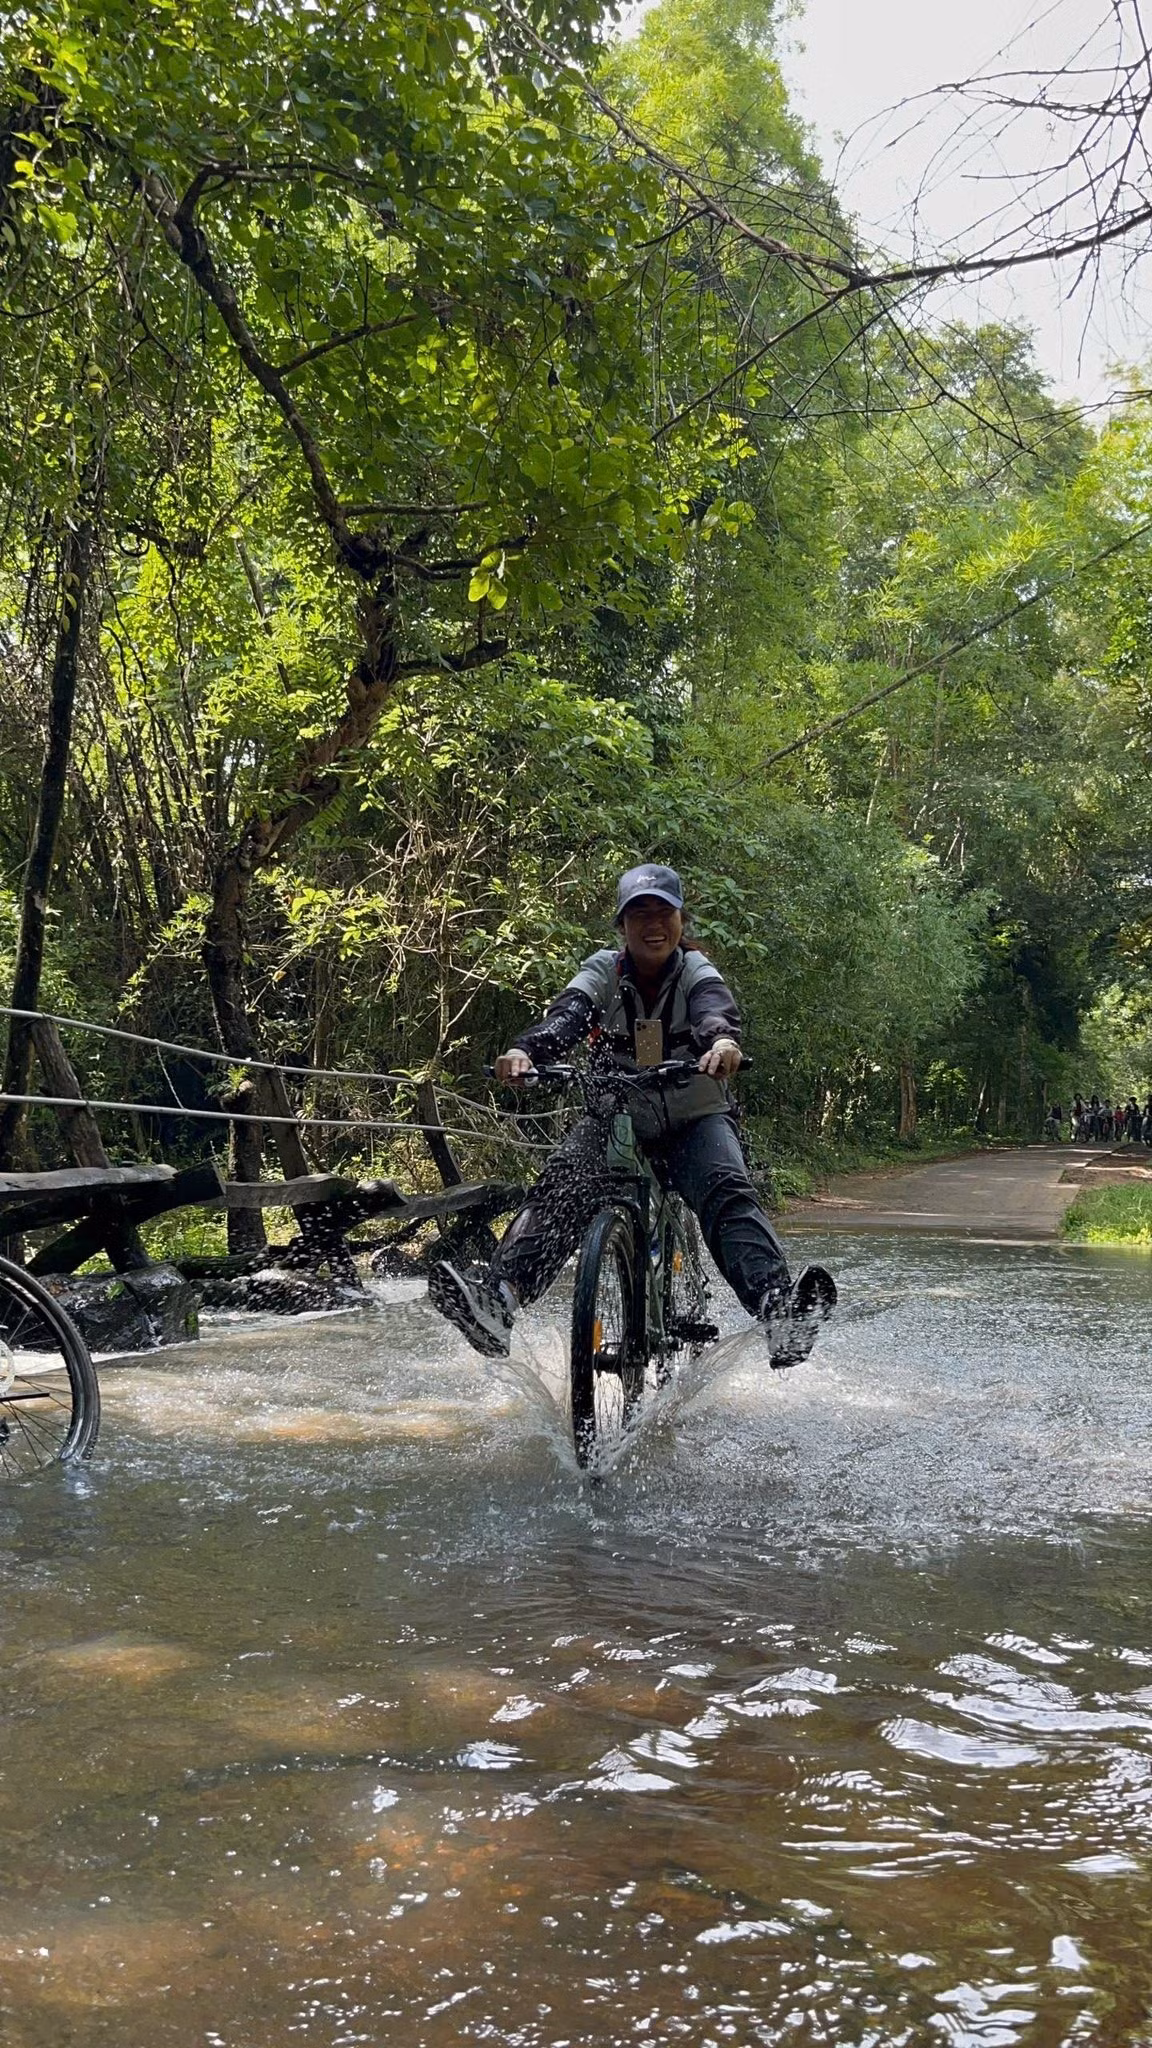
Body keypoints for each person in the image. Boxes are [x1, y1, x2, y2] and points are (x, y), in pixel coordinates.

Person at [428, 864, 837, 1369]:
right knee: (561, 1186)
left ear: (682, 920)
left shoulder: (695, 971)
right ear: (622, 925)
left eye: (664, 912)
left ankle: (779, 1309)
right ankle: (499, 1302)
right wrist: (524, 1051)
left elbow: (714, 1011)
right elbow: (566, 1017)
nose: (653, 924)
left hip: (696, 1120)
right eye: (639, 914)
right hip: (615, 1119)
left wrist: (723, 1043)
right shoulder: (603, 971)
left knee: (727, 1189)